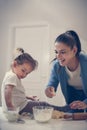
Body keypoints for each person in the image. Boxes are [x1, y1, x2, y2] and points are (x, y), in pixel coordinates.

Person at [1, 48, 71, 117]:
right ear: (15, 64)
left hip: (21, 105)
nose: (24, 75)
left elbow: (15, 94)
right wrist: (10, 106)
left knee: (39, 107)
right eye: (23, 70)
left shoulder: (11, 75)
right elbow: (7, 91)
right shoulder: (12, 76)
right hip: (20, 107)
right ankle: (63, 109)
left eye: (27, 73)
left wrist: (28, 97)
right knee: (43, 105)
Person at [45, 30, 87, 113]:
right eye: (56, 52)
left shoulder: (85, 61)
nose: (58, 56)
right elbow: (51, 84)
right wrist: (48, 90)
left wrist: (85, 103)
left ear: (74, 51)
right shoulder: (56, 65)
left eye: (63, 52)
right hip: (72, 101)